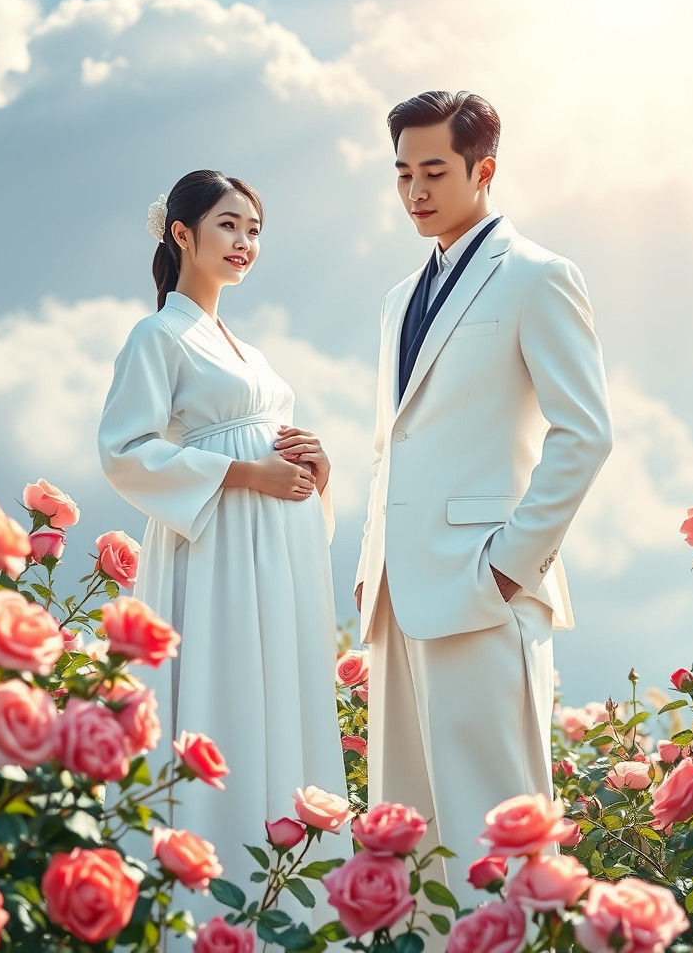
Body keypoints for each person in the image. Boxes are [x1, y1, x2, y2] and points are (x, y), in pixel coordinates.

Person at [354, 91, 613, 946]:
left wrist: (512, 565)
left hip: (484, 587)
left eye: (434, 171)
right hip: (397, 592)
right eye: (402, 173)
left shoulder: (538, 276)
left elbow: (586, 434)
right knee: (413, 843)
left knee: (502, 831)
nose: (415, 191)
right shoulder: (397, 296)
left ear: (483, 170)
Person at [97, 169, 349, 932]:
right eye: (229, 226)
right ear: (182, 233)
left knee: (283, 700)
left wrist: (316, 469)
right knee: (226, 694)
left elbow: (274, 450)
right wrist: (245, 471)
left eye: (253, 229)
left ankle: (287, 914)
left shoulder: (252, 352)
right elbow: (124, 450)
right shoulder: (157, 335)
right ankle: (209, 910)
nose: (245, 243)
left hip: (278, 555)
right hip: (214, 555)